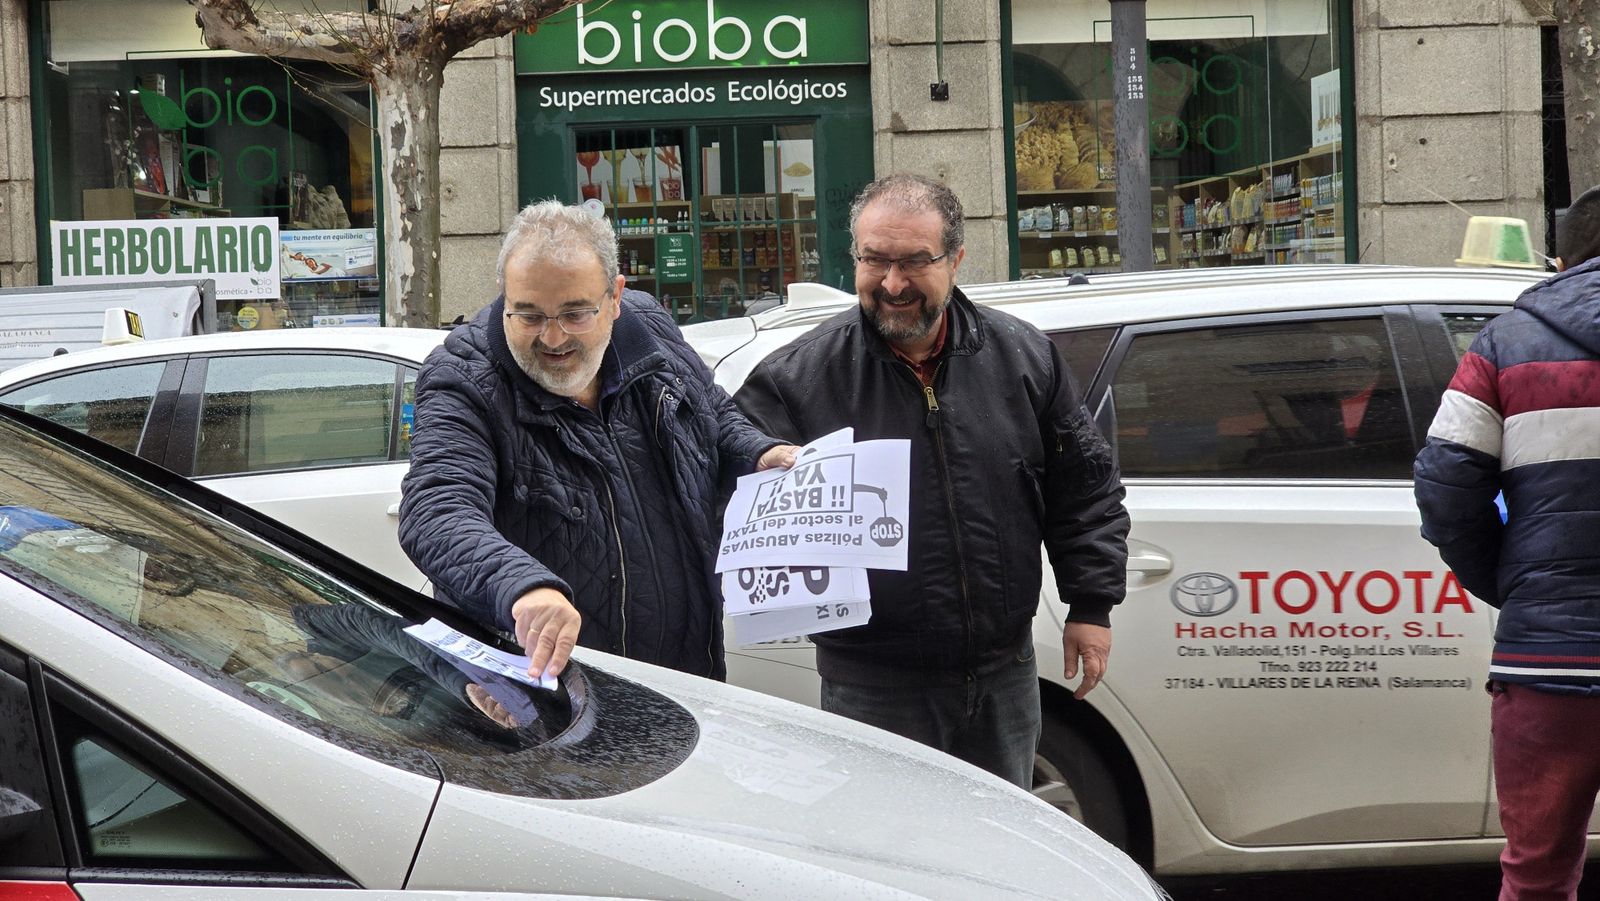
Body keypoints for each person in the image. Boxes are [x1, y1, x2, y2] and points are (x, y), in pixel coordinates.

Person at [735, 174, 1130, 788]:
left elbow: (1085, 489)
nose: (893, 284)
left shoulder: (1025, 358)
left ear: (956, 260)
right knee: (893, 870)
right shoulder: (795, 380)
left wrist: (1092, 603)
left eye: (915, 262)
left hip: (1005, 677)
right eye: (875, 261)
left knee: (1001, 862)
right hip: (872, 689)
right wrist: (760, 472)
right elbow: (725, 500)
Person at [399, 200, 796, 682]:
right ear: (505, 297)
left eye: (574, 314)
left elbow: (711, 410)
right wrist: (524, 588)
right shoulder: (462, 378)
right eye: (528, 316)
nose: (552, 337)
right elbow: (438, 509)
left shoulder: (650, 329)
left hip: (691, 676)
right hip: (554, 692)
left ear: (615, 298)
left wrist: (758, 452)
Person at [1415, 188, 1600, 901]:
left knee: (1538, 876)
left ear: (1561, 259)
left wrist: (1513, 582)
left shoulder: (1504, 345)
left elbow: (1444, 485)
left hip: (1545, 662)